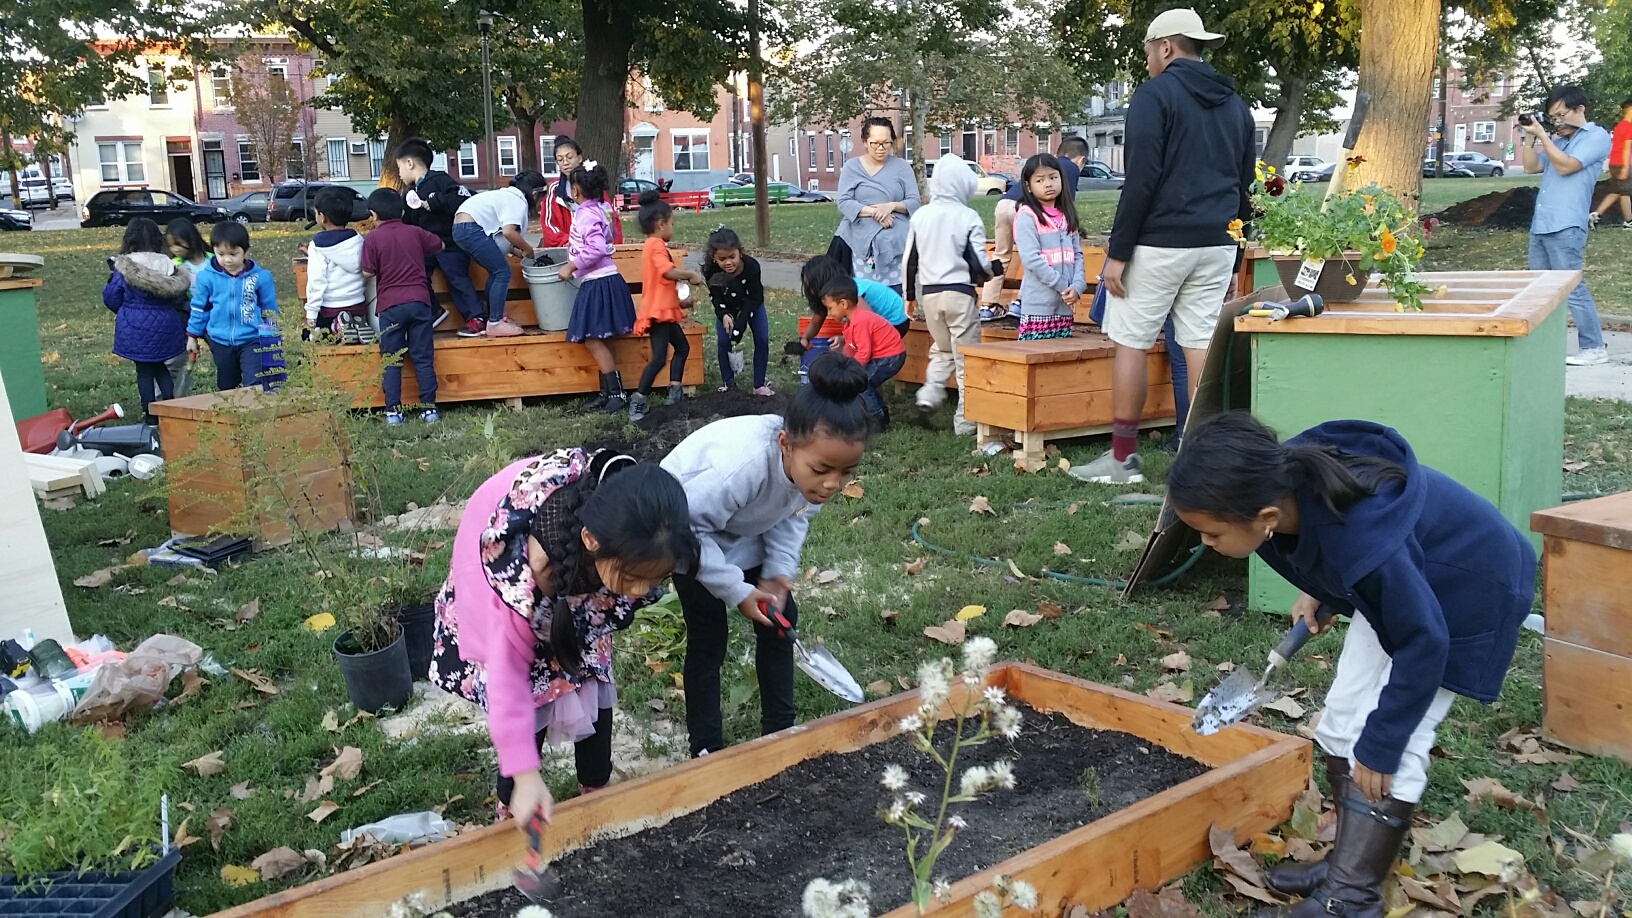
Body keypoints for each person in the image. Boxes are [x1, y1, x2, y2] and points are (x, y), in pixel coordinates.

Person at [1165, 412, 1534, 918]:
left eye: (1211, 535)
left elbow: (1424, 641)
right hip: (1407, 580)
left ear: (1265, 517)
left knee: (1390, 744)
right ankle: (1348, 866)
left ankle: (1351, 900)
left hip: (1466, 591)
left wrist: (1383, 744)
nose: (1205, 544)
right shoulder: (1281, 481)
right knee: (1339, 724)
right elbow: (1337, 552)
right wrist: (1324, 589)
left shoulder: (1364, 542)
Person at [428, 450, 699, 828]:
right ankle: (512, 809)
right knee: (533, 691)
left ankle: (596, 790)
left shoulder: (631, 526)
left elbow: (622, 584)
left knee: (592, 674)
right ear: (591, 540)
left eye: (654, 579)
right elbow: (507, 684)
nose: (641, 591)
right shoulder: (521, 581)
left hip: (582, 566)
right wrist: (526, 776)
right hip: (496, 566)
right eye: (634, 578)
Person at [1073, 7, 1254, 484]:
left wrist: (1118, 253)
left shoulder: (1153, 96)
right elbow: (1245, 184)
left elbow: (1141, 180)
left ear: (1166, 47)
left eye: (1149, 51)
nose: (1147, 60)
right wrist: (1236, 252)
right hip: (1217, 241)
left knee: (1131, 342)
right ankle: (1204, 462)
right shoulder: (1236, 104)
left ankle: (1122, 459)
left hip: (1159, 243)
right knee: (1199, 344)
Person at [661, 353, 872, 757]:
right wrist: (737, 591)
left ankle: (780, 731)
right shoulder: (740, 467)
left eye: (846, 472)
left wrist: (777, 573)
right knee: (708, 640)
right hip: (685, 532)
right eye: (823, 470)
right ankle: (706, 749)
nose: (833, 484)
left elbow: (792, 514)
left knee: (780, 621)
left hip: (743, 525)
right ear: (785, 445)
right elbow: (687, 530)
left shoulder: (814, 471)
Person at [903, 155, 996, 435]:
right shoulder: (967, 216)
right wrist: (993, 271)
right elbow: (979, 263)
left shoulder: (921, 216)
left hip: (930, 297)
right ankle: (966, 422)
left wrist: (909, 296)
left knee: (942, 350)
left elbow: (910, 260)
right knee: (966, 357)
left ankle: (928, 395)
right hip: (960, 295)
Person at [1523, 85, 1612, 367]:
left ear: (1579, 109)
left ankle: (1594, 347)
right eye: (1553, 118)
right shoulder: (1558, 141)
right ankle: (1544, 347)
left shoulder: (1596, 136)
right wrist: (1530, 138)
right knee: (1539, 290)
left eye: (1561, 115)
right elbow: (1530, 167)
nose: (1557, 122)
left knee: (1572, 288)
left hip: (1567, 225)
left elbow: (1566, 166)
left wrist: (1543, 136)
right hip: (1542, 224)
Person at [981, 136, 1090, 321]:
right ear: (1081, 160)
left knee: (1002, 254)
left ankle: (987, 305)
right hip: (1028, 207)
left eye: (1052, 178)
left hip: (1004, 203)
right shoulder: (1068, 168)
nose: (1048, 182)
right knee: (1037, 253)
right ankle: (1020, 301)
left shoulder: (1046, 164)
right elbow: (1066, 202)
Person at [361, 188, 445, 425]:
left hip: (390, 306)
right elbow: (439, 245)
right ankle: (429, 409)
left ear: (373, 215)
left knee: (391, 359)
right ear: (401, 212)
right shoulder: (415, 232)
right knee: (423, 357)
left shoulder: (373, 238)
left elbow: (367, 271)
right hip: (419, 302)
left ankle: (393, 412)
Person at [559, 161, 638, 413]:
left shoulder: (585, 214)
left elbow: (596, 249)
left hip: (598, 281)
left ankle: (615, 393)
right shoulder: (602, 208)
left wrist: (571, 266)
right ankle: (607, 392)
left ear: (575, 191)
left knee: (593, 339)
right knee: (601, 337)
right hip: (606, 279)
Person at [104, 218, 190, 423]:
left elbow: (112, 296)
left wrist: (126, 311)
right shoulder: (167, 263)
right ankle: (169, 407)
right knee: (161, 367)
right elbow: (178, 295)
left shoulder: (125, 266)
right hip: (167, 323)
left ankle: (150, 415)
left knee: (144, 372)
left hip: (135, 326)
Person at [630, 191, 703, 422]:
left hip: (664, 311)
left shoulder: (653, 245)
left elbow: (660, 285)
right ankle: (638, 400)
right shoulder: (656, 245)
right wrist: (690, 274)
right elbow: (666, 272)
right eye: (672, 223)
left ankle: (675, 393)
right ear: (661, 224)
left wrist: (682, 303)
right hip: (658, 313)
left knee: (682, 348)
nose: (673, 227)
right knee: (659, 358)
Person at [396, 138, 479, 333]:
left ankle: (476, 317)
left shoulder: (440, 179)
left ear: (410, 163)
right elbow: (409, 222)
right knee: (415, 273)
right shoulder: (409, 193)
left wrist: (437, 201)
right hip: (426, 247)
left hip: (450, 244)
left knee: (456, 278)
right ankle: (434, 310)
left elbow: (462, 198)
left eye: (399, 167)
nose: (399, 174)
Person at [186, 221, 278, 391]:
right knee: (227, 386)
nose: (227, 260)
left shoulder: (261, 277)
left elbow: (269, 308)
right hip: (220, 340)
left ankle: (253, 407)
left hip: (252, 338)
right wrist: (192, 335)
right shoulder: (207, 278)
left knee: (254, 382)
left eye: (233, 254)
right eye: (220, 254)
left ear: (245, 251)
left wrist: (272, 335)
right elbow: (200, 308)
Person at [453, 171, 545, 339]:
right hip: (471, 228)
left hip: (461, 228)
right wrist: (528, 249)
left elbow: (500, 236)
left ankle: (493, 317)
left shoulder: (504, 195)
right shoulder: (517, 201)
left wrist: (518, 252)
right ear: (534, 194)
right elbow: (509, 232)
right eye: (541, 199)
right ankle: (495, 322)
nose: (540, 204)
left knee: (495, 271)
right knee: (502, 272)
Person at [835, 117, 920, 292]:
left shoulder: (902, 167)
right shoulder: (851, 167)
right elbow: (843, 201)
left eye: (886, 143)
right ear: (865, 142)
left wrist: (890, 206)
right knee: (865, 294)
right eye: (875, 143)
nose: (881, 148)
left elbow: (914, 201)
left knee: (895, 296)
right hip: (862, 244)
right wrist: (875, 212)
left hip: (895, 243)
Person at [1012, 153, 1087, 341]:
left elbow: (1077, 255)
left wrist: (1078, 286)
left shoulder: (1066, 215)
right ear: (1028, 186)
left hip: (1064, 308)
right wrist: (1062, 285)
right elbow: (1031, 259)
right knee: (1035, 354)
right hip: (1038, 306)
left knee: (1061, 356)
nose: (1048, 184)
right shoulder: (1027, 216)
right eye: (1040, 180)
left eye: (1053, 177)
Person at [822, 276, 906, 426]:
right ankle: (881, 414)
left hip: (891, 356)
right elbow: (851, 347)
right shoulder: (851, 322)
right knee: (864, 383)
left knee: (862, 384)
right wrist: (842, 363)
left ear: (843, 304)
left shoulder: (860, 321)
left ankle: (876, 420)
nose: (829, 313)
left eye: (830, 308)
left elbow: (864, 353)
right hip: (884, 355)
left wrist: (849, 370)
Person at [702, 227, 773, 395]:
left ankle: (759, 385)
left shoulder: (752, 267)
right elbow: (716, 297)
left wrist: (740, 324)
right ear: (713, 258)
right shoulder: (711, 271)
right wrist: (723, 314)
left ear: (740, 252)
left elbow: (754, 297)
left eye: (732, 257)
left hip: (752, 305)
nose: (728, 263)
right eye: (722, 259)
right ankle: (728, 383)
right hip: (727, 307)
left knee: (762, 339)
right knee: (723, 342)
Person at [794, 256, 907, 353]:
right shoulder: (833, 294)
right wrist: (805, 338)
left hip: (895, 322)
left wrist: (845, 339)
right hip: (877, 321)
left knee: (858, 351)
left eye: (811, 286)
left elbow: (869, 323)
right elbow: (817, 320)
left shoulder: (852, 293)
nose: (810, 291)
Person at [303, 187, 368, 341]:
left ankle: (336, 326)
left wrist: (311, 314)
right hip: (358, 305)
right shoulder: (358, 240)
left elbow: (316, 281)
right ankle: (355, 323)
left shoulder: (317, 245)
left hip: (330, 309)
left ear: (322, 217)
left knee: (308, 336)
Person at [540, 137, 623, 249]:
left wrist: (607, 245)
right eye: (560, 160)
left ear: (579, 158)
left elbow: (610, 219)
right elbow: (548, 225)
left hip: (596, 246)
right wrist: (571, 242)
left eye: (569, 157)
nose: (565, 163)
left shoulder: (592, 182)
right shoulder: (553, 189)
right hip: (567, 248)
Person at [163, 218, 211, 391]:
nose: (175, 249)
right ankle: (170, 395)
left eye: (178, 244)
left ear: (191, 239)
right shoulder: (174, 265)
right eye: (170, 245)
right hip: (186, 315)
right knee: (176, 360)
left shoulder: (213, 260)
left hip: (212, 316)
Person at [1590, 98, 1632, 229]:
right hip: (1622, 164)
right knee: (1624, 192)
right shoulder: (1628, 127)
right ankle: (1629, 221)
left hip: (1615, 163)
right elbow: (1627, 148)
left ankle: (1595, 215)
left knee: (1616, 191)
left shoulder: (1619, 126)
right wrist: (1625, 167)